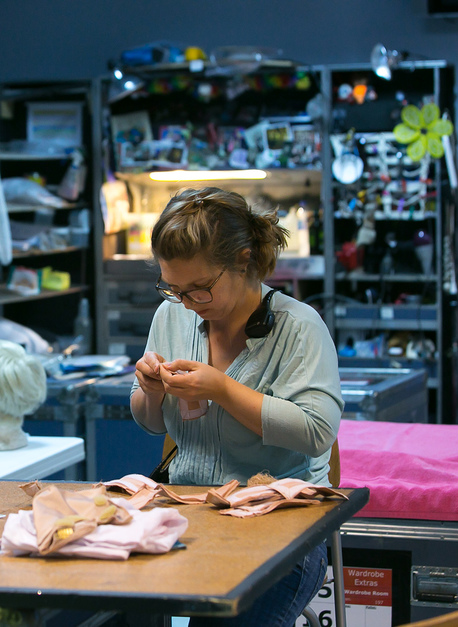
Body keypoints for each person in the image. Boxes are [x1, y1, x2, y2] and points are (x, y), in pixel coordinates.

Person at [130, 187, 343, 627]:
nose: (187, 303)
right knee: (112, 607)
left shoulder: (298, 327)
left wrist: (223, 390)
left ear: (244, 261)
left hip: (281, 526)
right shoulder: (173, 316)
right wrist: (150, 391)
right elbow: (152, 424)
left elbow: (317, 431)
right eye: (174, 289)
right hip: (190, 516)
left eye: (200, 289)